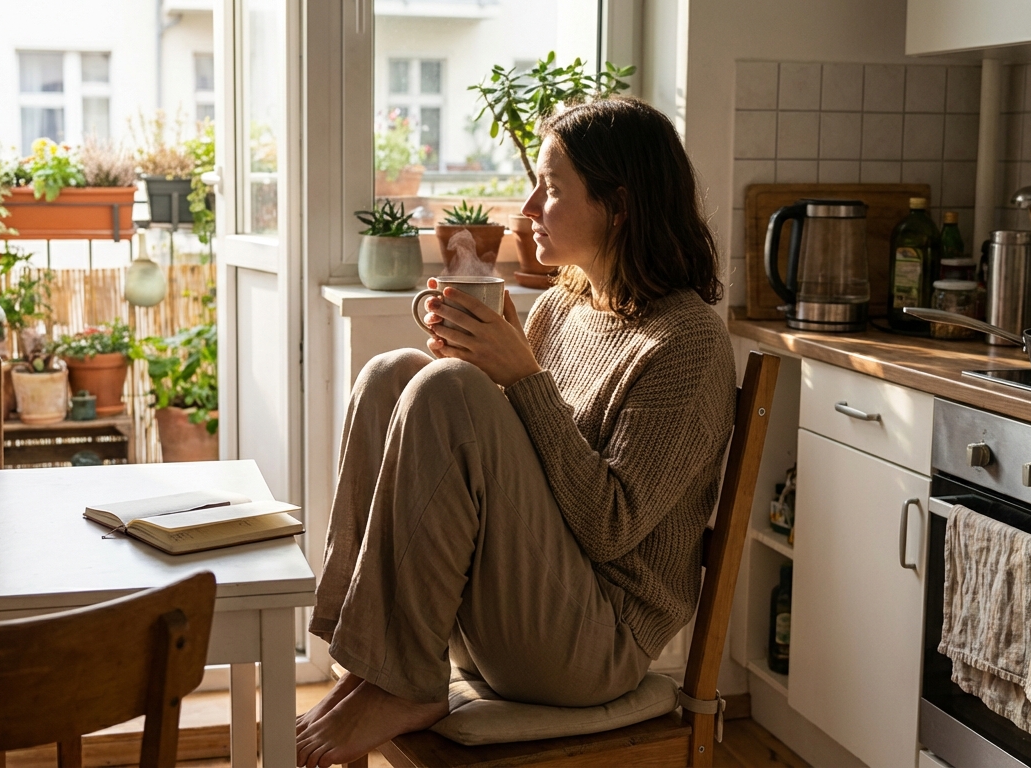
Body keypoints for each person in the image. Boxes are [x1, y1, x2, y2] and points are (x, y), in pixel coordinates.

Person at [295, 97, 736, 768]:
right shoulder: (563, 305)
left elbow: (610, 527)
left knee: (447, 389)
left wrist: (518, 382)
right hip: (508, 613)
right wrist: (484, 383)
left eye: (551, 188)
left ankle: (400, 681)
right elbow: (522, 463)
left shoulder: (686, 342)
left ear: (619, 206)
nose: (527, 207)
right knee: (396, 374)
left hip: (592, 644)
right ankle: (365, 663)